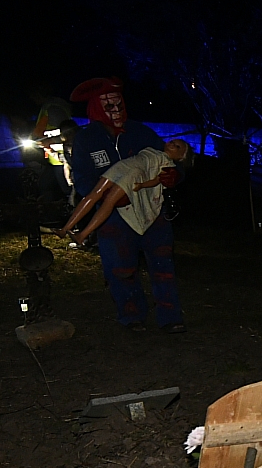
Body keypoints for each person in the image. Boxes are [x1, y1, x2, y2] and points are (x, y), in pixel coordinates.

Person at [67, 77, 186, 332]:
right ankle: (131, 316)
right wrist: (105, 196)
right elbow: (83, 179)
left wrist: (174, 176)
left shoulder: (141, 132)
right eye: (109, 106)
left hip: (153, 209)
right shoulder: (86, 139)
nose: (116, 111)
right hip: (115, 216)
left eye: (119, 104)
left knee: (162, 265)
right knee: (120, 269)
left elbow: (171, 160)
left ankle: (170, 317)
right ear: (96, 108)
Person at [55, 138, 189, 245]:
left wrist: (142, 185)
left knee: (109, 201)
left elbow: (157, 180)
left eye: (177, 147)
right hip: (123, 166)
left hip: (133, 175)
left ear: (181, 156)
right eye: (172, 142)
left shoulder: (168, 165)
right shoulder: (152, 150)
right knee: (94, 193)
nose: (172, 145)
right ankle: (66, 228)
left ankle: (83, 234)